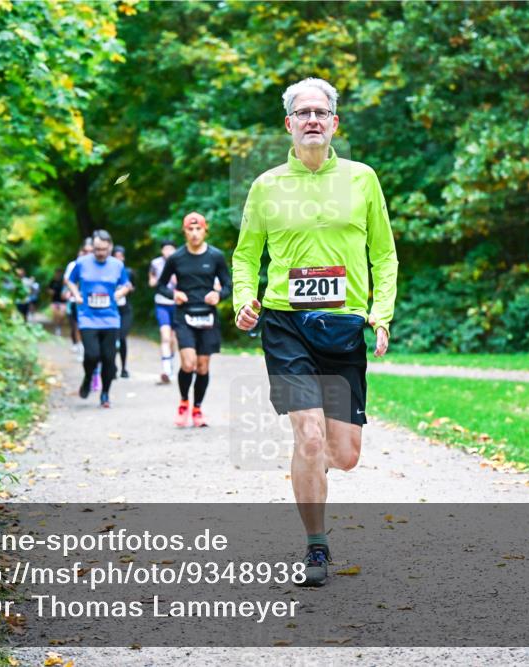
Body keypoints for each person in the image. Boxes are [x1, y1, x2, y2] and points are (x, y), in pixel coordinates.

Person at [232, 77, 398, 587]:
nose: (311, 119)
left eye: (320, 112)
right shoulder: (266, 186)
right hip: (285, 323)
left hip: (343, 325)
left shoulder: (362, 179)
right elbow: (245, 256)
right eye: (302, 112)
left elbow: (384, 254)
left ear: (334, 123)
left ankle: (312, 469)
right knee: (308, 436)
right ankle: (316, 546)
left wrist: (381, 313)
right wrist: (244, 300)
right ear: (289, 123)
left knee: (344, 455)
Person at [156, 213, 231, 427]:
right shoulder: (176, 258)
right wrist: (174, 294)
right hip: (185, 315)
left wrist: (218, 295)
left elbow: (228, 284)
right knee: (188, 364)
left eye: (198, 229)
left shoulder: (216, 256)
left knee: (202, 366)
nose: (195, 233)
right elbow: (161, 285)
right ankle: (183, 403)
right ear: (185, 232)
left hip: (207, 315)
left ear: (205, 230)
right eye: (190, 229)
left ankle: (197, 409)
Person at [64, 231, 131, 408]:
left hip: (110, 318)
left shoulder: (117, 265)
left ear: (110, 247)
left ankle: (105, 393)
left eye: (103, 249)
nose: (100, 253)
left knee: (109, 358)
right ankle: (88, 378)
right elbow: (69, 280)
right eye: (97, 249)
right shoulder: (82, 263)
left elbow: (126, 285)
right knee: (92, 354)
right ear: (92, 248)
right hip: (88, 317)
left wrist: (120, 293)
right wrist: (77, 294)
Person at [149, 240, 178, 383]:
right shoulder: (155, 263)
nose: (168, 252)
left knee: (173, 339)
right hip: (161, 303)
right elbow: (151, 282)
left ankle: (171, 364)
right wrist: (161, 279)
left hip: (177, 303)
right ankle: (166, 370)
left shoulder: (180, 262)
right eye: (166, 249)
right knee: (165, 337)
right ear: (162, 251)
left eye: (171, 249)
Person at [112, 245, 135, 378]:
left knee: (122, 338)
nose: (119, 259)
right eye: (116, 256)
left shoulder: (128, 272)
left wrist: (128, 289)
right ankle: (112, 367)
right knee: (112, 339)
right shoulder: (107, 273)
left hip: (125, 310)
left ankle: (124, 368)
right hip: (112, 310)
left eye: (121, 256)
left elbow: (133, 288)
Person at [63, 247, 87, 353]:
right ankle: (79, 345)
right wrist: (74, 293)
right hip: (75, 299)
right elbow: (68, 280)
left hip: (89, 300)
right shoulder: (74, 265)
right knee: (76, 324)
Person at [48, 268, 67, 336]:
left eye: (59, 273)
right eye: (57, 273)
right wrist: (50, 291)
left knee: (62, 315)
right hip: (54, 301)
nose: (58, 274)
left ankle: (59, 326)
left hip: (63, 301)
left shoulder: (63, 282)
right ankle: (57, 327)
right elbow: (48, 289)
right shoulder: (52, 281)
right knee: (55, 315)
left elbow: (67, 289)